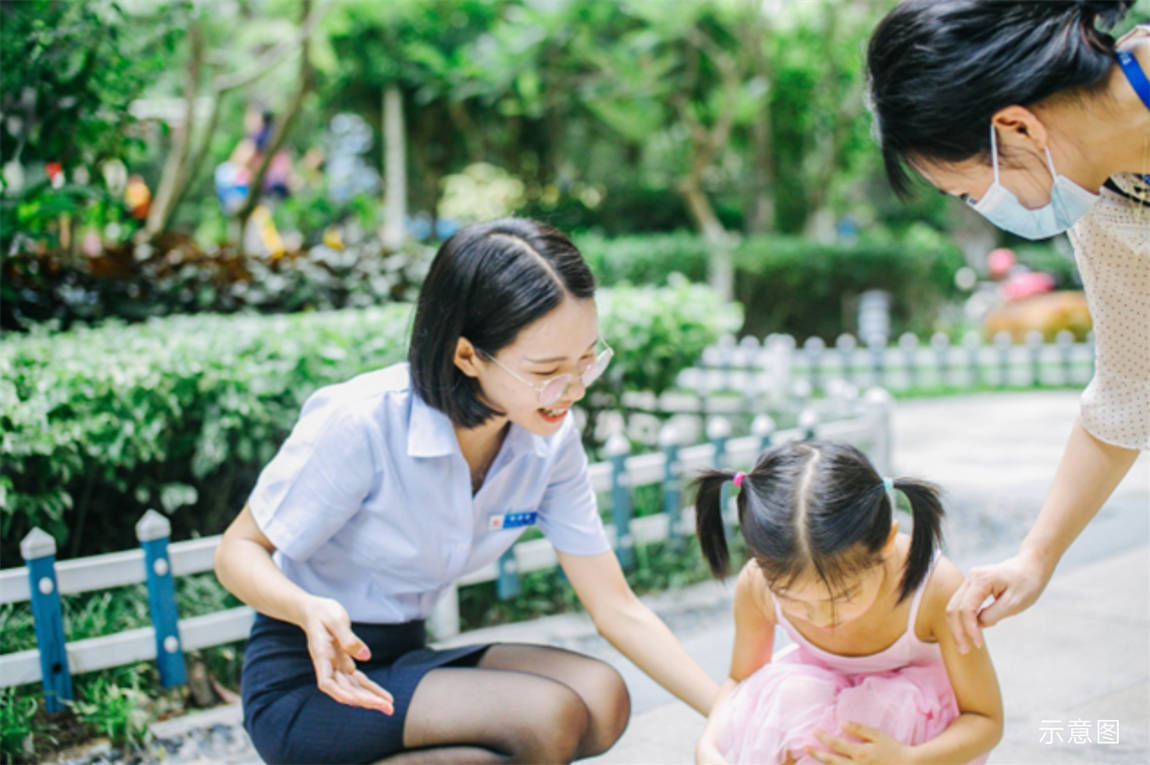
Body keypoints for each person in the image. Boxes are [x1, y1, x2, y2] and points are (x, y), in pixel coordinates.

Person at [213, 218, 718, 764]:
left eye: (587, 362)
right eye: (547, 371)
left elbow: (616, 607)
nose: (572, 390)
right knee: (546, 717)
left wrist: (733, 717)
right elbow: (237, 550)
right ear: (467, 355)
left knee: (603, 697)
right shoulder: (363, 421)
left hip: (403, 659)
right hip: (309, 678)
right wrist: (306, 608)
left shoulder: (548, 440)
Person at [866, 0, 1149, 655]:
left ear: (1016, 127)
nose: (983, 207)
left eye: (970, 191)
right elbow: (1129, 391)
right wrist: (1034, 559)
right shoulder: (1108, 202)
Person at [692, 441, 1002, 765]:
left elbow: (986, 720)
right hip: (816, 709)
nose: (820, 618)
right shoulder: (757, 585)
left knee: (877, 709)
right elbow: (742, 682)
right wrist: (709, 742)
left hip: (912, 739)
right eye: (793, 600)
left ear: (885, 543)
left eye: (843, 597)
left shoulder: (935, 589)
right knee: (786, 696)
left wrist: (907, 759)